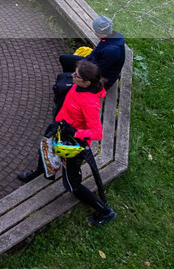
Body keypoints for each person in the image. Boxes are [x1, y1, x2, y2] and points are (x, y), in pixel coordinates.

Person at [17, 60, 117, 226]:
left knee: (73, 185)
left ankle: (105, 211)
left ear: (87, 82)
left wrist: (75, 132)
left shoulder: (90, 102)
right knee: (44, 150)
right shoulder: (79, 86)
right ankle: (38, 172)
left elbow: (97, 133)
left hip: (72, 144)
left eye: (76, 75)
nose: (72, 76)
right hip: (59, 130)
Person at [59, 16, 126, 89]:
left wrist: (79, 71)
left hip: (100, 80)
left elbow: (98, 72)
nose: (94, 32)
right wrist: (83, 63)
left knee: (62, 79)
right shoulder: (109, 37)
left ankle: (71, 85)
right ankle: (70, 82)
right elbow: (95, 53)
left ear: (100, 32)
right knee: (64, 59)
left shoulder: (111, 51)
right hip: (93, 64)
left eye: (95, 30)